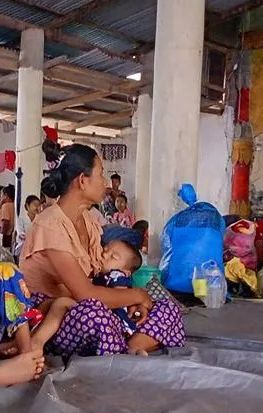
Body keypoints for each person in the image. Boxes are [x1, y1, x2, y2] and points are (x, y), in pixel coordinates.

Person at [19, 144, 185, 358]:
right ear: (82, 180)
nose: (105, 183)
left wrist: (132, 302)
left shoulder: (88, 221)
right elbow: (85, 294)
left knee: (167, 309)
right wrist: (137, 294)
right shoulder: (50, 225)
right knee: (95, 316)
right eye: (101, 174)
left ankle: (129, 348)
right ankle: (129, 346)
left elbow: (100, 278)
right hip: (51, 314)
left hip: (89, 303)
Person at [94, 239, 154, 355]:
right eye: (104, 250)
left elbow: (121, 297)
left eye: (114, 257)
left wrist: (136, 301)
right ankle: (132, 349)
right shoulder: (100, 273)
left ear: (126, 272)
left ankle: (132, 347)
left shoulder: (116, 275)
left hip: (117, 322)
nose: (104, 255)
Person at [0, 184, 17, 249]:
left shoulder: (6, 206)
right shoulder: (13, 204)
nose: (0, 197)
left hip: (6, 235)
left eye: (1, 195)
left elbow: (6, 222)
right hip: (10, 235)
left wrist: (1, 234)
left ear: (6, 196)